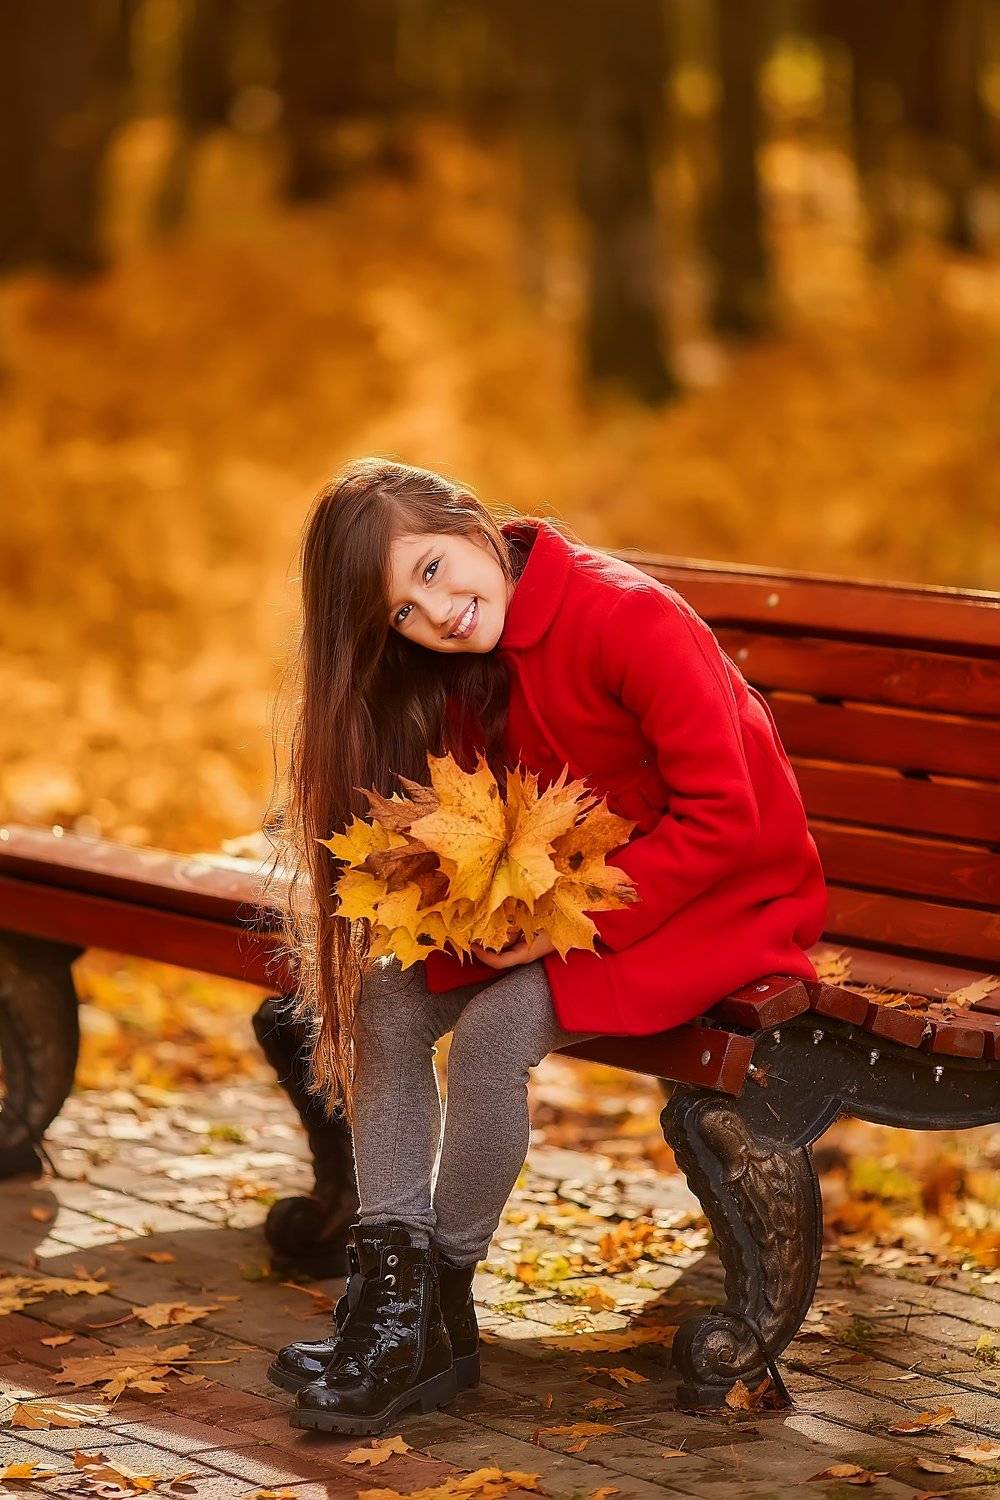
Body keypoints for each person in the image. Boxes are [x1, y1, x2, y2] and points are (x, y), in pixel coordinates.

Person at [260, 456, 828, 1435]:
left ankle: (439, 1298)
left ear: (474, 527)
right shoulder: (470, 661)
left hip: (715, 904)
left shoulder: (625, 618)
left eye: (433, 570)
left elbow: (726, 818)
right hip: (570, 905)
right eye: (401, 611)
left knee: (491, 1040)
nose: (434, 613)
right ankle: (397, 1304)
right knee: (388, 1000)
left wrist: (562, 927)